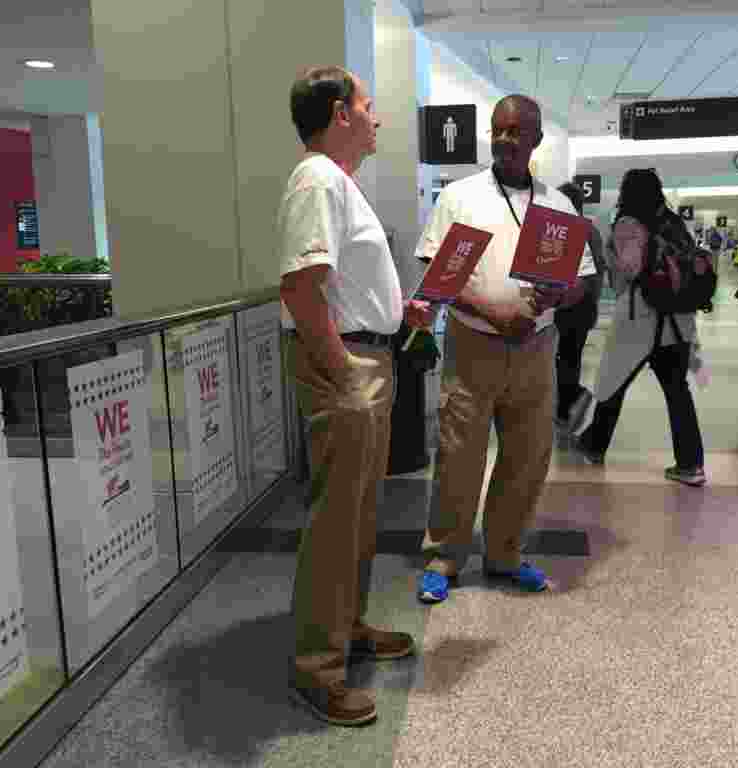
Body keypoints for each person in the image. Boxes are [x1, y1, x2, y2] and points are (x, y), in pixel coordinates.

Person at [277, 65, 432, 726]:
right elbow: (301, 288)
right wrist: (342, 369)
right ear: (341, 113)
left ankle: (349, 625)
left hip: (369, 352)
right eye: (369, 106)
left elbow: (340, 283)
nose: (378, 118)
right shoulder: (316, 179)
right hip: (347, 361)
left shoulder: (339, 184)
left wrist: (404, 311)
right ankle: (317, 667)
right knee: (337, 520)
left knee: (359, 514)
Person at [416, 94, 596, 604]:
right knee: (458, 455)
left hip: (537, 349)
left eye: (516, 132)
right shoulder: (459, 196)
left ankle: (505, 552)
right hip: (474, 343)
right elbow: (438, 271)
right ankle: (444, 555)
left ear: (537, 139)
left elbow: (582, 277)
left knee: (527, 457)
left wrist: (563, 292)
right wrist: (495, 313)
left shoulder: (557, 206)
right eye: (498, 130)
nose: (505, 140)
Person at [571, 168, 710, 487]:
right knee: (678, 392)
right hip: (677, 322)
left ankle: (594, 445)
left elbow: (631, 269)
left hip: (640, 318)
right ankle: (691, 464)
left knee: (613, 381)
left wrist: (609, 254)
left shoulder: (629, 223)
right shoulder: (673, 222)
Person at [553, 181, 606, 431]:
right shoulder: (590, 230)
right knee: (569, 355)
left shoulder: (574, 230)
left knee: (566, 357)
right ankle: (569, 401)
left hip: (574, 304)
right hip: (583, 305)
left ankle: (568, 404)